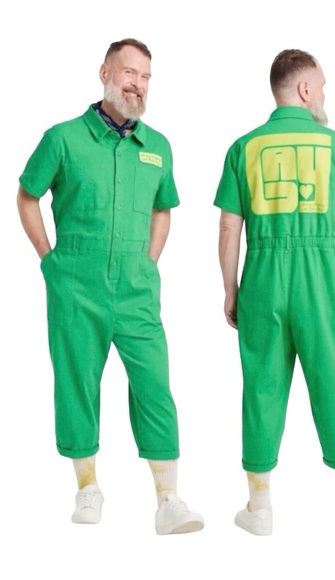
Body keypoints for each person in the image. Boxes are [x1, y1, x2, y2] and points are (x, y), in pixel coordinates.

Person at [17, 38, 204, 535]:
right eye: (129, 72)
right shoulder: (63, 138)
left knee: (154, 386)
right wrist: (49, 260)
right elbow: (27, 196)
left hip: (136, 286)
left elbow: (163, 209)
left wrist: (149, 262)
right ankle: (87, 487)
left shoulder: (157, 146)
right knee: (76, 382)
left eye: (145, 77)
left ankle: (168, 500)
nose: (137, 84)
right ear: (104, 73)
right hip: (75, 283)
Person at [215, 48, 335, 535]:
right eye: (322, 86)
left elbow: (228, 228)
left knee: (261, 386)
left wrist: (231, 289)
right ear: (305, 89)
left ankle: (258, 509)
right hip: (323, 278)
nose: (324, 95)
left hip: (262, 278)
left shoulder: (244, 147)